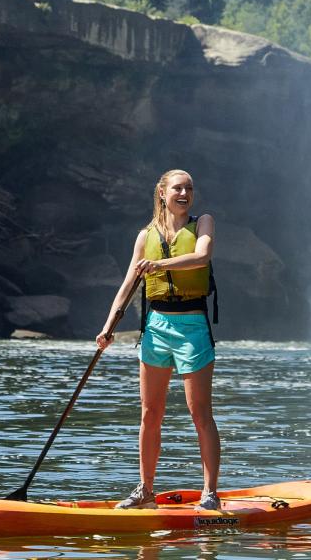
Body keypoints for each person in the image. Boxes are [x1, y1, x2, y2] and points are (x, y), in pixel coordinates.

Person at [96, 169, 222, 511]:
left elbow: (202, 256)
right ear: (162, 193)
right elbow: (127, 285)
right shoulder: (145, 236)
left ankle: (210, 493)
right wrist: (108, 326)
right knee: (150, 413)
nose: (185, 193)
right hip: (156, 327)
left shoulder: (203, 223)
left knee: (200, 414)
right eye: (178, 188)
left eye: (189, 188)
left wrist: (160, 263)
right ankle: (145, 490)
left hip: (192, 326)